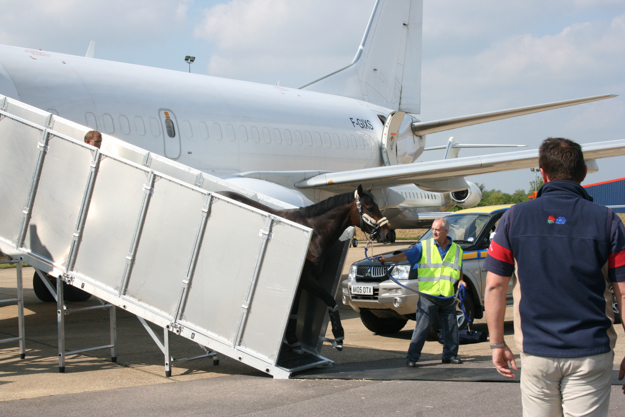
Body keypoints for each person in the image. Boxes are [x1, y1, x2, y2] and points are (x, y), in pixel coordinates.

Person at [484, 137, 625, 416]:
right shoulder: (607, 221)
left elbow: (494, 287)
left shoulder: (513, 218)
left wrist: (497, 343)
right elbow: (623, 290)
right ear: (583, 173)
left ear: (542, 172)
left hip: (537, 351)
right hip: (590, 351)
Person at [378, 217, 465, 367]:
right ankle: (412, 358)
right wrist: (387, 259)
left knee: (451, 327)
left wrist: (462, 280)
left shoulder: (457, 250)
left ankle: (450, 355)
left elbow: (458, 268)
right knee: (422, 328)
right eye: (432, 229)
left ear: (446, 231)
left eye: (437, 230)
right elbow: (406, 255)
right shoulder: (424, 246)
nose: (434, 232)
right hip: (428, 296)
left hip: (447, 295)